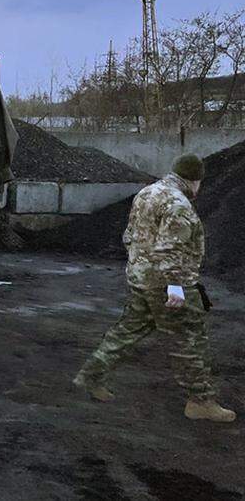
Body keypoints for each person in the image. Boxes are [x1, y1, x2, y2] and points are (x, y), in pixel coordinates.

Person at [73, 154, 235, 422]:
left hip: (140, 278)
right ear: (194, 181)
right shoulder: (178, 205)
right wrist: (175, 286)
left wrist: (140, 266)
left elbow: (129, 236)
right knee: (189, 339)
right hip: (166, 285)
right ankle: (201, 401)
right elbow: (172, 248)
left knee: (126, 331)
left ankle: (92, 376)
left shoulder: (148, 193)